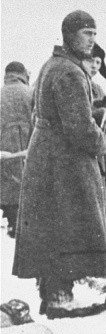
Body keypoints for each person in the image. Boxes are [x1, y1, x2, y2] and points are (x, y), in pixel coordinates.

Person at [13, 10, 106, 318]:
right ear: (69, 35)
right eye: (86, 33)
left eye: (94, 34)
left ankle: (54, 293)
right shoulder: (70, 72)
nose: (92, 40)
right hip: (64, 164)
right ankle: (59, 298)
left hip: (49, 157)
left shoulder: (51, 65)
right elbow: (80, 129)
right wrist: (102, 141)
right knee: (67, 227)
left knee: (51, 227)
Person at [1, 61, 34, 238]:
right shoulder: (32, 93)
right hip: (29, 155)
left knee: (8, 198)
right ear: (23, 75)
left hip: (5, 159)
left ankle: (11, 229)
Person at [82, 43, 106, 177]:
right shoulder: (73, 83)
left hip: (98, 157)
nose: (94, 65)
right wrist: (98, 112)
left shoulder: (97, 90)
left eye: (98, 62)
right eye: (91, 60)